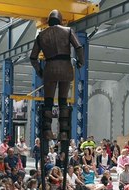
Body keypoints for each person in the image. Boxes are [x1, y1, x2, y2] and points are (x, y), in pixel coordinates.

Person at [30, 9, 84, 140]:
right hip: (65, 67)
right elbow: (79, 47)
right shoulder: (68, 31)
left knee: (48, 102)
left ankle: (47, 131)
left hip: (49, 69)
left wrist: (40, 71)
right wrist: (80, 62)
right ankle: (63, 132)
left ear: (49, 21)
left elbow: (33, 58)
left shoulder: (41, 35)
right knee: (63, 102)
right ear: (60, 19)